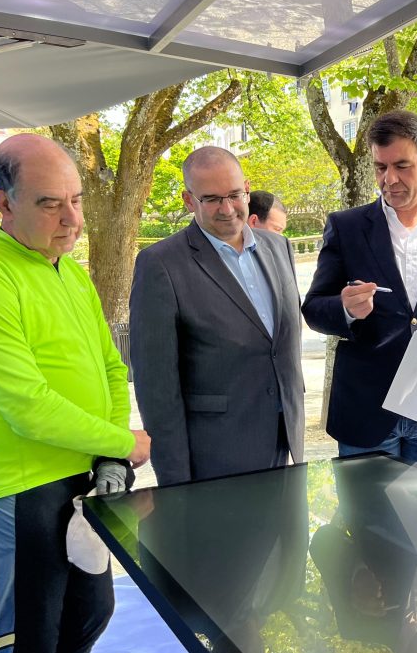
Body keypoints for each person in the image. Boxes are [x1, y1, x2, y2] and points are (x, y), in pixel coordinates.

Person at [0, 134, 151, 653]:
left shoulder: (71, 275)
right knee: (26, 649)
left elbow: (110, 368)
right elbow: (26, 405)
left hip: (77, 480)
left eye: (77, 201)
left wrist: (109, 456)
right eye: (51, 204)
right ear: (3, 203)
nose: (72, 220)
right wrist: (121, 443)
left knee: (91, 612)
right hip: (11, 487)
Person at [302, 110, 417, 473]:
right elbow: (313, 308)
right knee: (365, 525)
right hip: (366, 409)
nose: (389, 180)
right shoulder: (346, 227)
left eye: (401, 166)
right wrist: (344, 310)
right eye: (380, 168)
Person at [130, 146, 304, 487]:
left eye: (234, 195)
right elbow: (157, 388)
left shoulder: (279, 248)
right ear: (188, 200)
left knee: (289, 543)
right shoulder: (161, 264)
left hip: (285, 445)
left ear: (247, 188)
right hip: (214, 459)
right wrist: (177, 483)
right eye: (211, 199)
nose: (227, 209)